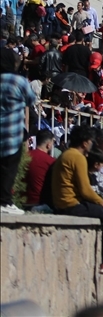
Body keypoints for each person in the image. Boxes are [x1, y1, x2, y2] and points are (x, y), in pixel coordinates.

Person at [51, 125, 103, 276]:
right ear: (84, 142)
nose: (92, 144)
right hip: (71, 205)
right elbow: (85, 189)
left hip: (66, 203)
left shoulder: (68, 154)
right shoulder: (78, 157)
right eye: (90, 141)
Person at [1, 50, 36, 214]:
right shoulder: (19, 81)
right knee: (9, 168)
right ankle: (5, 202)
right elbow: (31, 99)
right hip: (12, 131)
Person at [24, 129, 56, 208]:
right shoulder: (51, 162)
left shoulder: (25, 157)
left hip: (22, 202)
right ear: (48, 144)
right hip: (40, 203)